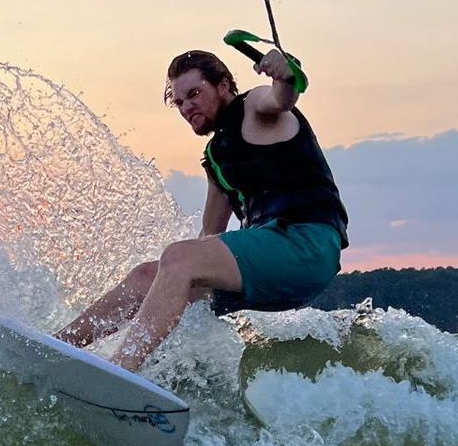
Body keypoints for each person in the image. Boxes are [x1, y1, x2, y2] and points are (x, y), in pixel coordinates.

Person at [56, 45, 348, 372]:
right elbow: (209, 237)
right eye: (179, 102)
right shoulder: (217, 158)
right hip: (273, 266)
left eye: (194, 94)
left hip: (306, 244)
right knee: (147, 277)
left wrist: (286, 72)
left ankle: (122, 370)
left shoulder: (253, 107)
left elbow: (282, 97)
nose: (186, 107)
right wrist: (172, 288)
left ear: (223, 85)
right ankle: (57, 346)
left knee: (179, 258)